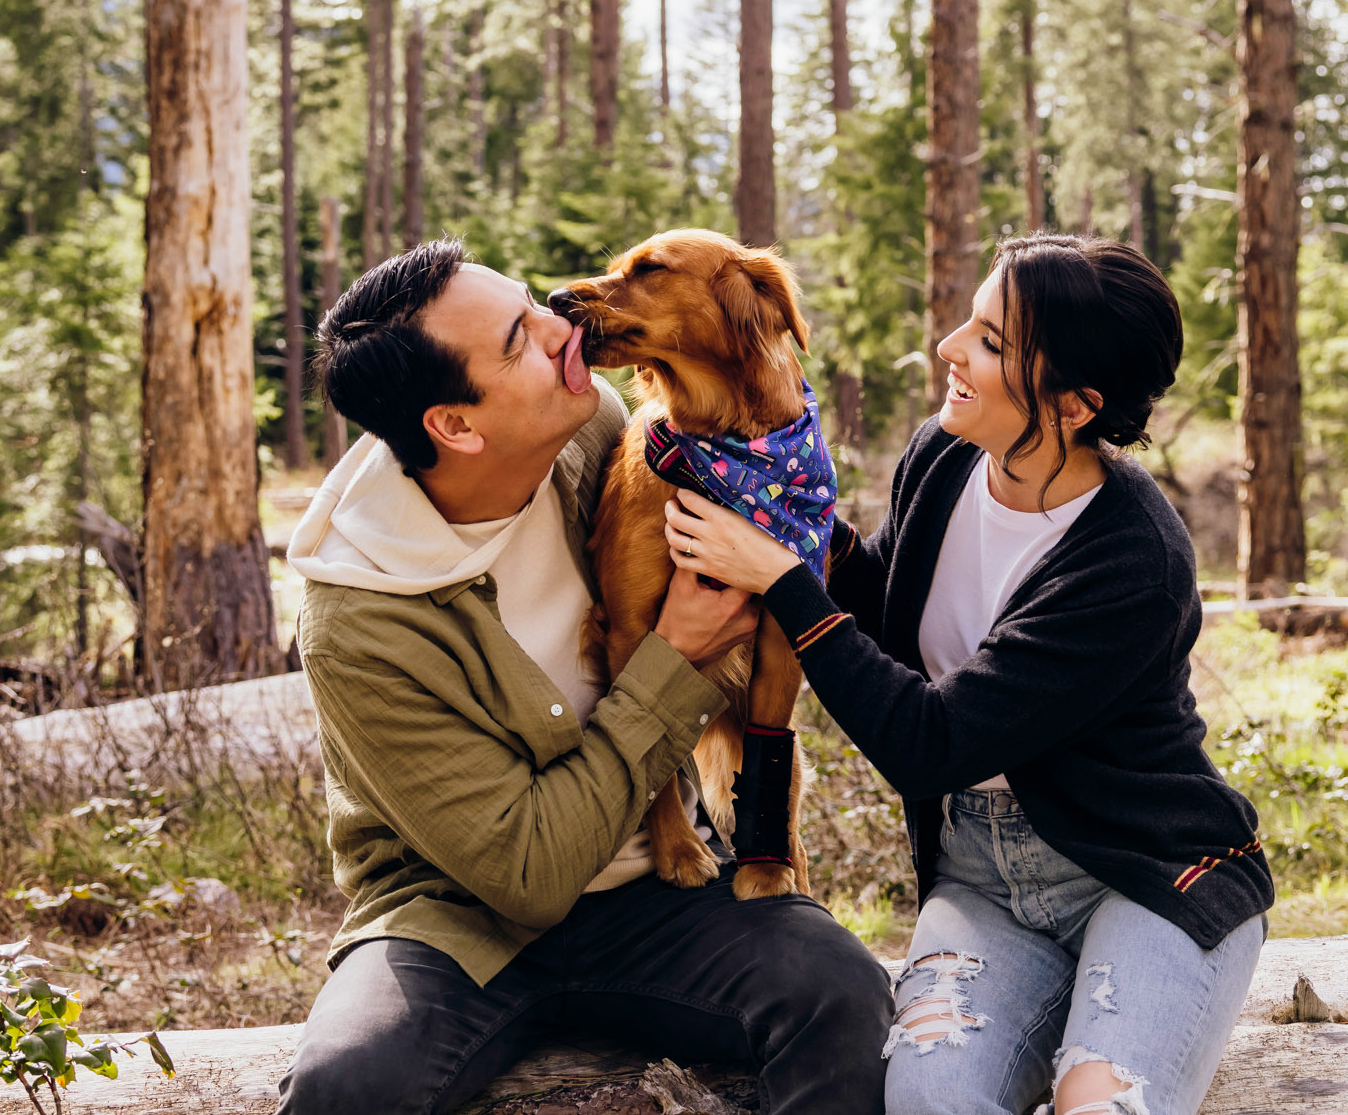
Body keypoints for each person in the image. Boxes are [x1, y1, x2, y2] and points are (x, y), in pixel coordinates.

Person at [276, 239, 893, 1115]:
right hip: (457, 923)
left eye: (531, 302)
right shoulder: (359, 624)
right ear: (455, 424)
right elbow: (527, 872)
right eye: (516, 339)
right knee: (346, 1085)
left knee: (843, 995)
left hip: (659, 891)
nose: (557, 320)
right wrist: (672, 662)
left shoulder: (602, 429)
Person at [664, 234, 1274, 1115]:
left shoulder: (1132, 557)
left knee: (1100, 1106)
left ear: (1072, 405)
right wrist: (782, 516)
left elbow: (933, 742)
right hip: (981, 876)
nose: (950, 346)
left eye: (989, 340)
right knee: (928, 1105)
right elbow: (876, 602)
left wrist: (783, 579)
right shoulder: (945, 457)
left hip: (1148, 873)